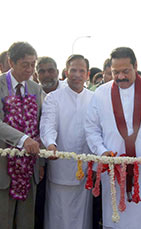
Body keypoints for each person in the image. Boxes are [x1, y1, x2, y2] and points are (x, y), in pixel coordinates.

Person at [85, 47, 141, 229]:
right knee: (114, 220)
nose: (120, 77)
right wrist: (102, 152)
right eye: (115, 72)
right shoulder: (101, 93)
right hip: (113, 169)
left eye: (125, 71)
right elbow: (91, 129)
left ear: (135, 66)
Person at [0, 42, 45, 228]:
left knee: (26, 223)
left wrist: (41, 162)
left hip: (28, 168)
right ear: (11, 62)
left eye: (33, 64)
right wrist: (23, 140)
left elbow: (40, 126)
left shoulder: (35, 89)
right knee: (1, 222)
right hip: (1, 169)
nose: (30, 69)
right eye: (25, 64)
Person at [40, 54, 94, 229]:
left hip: (86, 168)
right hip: (60, 166)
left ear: (87, 75)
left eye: (81, 71)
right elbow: (48, 125)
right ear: (66, 72)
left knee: (82, 217)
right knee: (58, 216)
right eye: (73, 70)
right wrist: (50, 144)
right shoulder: (54, 98)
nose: (77, 75)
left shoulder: (95, 98)